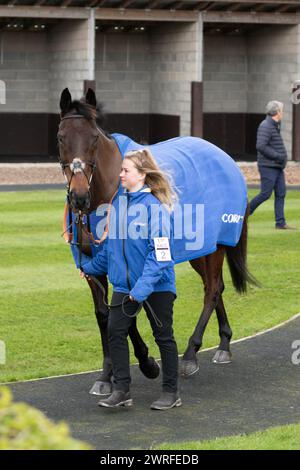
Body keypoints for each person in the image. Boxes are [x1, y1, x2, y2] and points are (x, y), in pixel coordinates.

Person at [81, 149, 182, 410]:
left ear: (142, 175)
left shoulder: (155, 209)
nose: (120, 174)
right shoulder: (118, 204)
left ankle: (171, 393)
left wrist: (140, 290)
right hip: (125, 287)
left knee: (164, 337)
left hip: (156, 287)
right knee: (115, 332)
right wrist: (91, 268)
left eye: (126, 170)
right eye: (122, 170)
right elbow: (112, 251)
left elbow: (160, 256)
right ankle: (122, 390)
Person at [249, 100, 293, 229]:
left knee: (281, 193)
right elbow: (261, 146)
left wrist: (280, 160)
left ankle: (280, 223)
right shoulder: (266, 125)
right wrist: (278, 156)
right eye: (281, 110)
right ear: (277, 112)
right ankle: (244, 215)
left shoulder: (274, 125)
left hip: (277, 166)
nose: (282, 113)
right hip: (268, 166)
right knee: (265, 194)